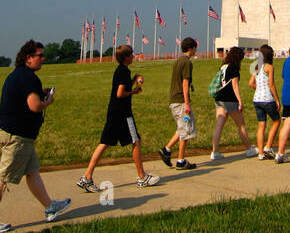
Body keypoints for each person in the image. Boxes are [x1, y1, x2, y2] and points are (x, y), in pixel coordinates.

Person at [0, 40, 71, 233]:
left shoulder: (19, 75)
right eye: (40, 56)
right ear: (28, 58)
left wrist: (39, 92)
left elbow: (26, 97)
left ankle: (50, 207)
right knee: (2, 178)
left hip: (13, 134)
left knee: (32, 172)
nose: (43, 59)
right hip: (17, 137)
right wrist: (48, 101)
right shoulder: (29, 78)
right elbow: (35, 106)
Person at [76, 45, 160, 192]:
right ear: (127, 57)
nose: (133, 56)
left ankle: (86, 178)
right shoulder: (123, 71)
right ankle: (142, 177)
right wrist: (134, 92)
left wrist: (134, 79)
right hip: (123, 113)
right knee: (135, 140)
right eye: (132, 55)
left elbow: (122, 87)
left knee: (105, 143)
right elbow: (120, 93)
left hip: (113, 112)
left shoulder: (122, 71)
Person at [210, 46, 258, 160]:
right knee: (241, 125)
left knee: (219, 126)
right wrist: (240, 101)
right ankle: (248, 148)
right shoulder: (234, 68)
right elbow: (235, 86)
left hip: (219, 98)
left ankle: (215, 151)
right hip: (230, 99)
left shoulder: (223, 66)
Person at [158, 37, 199, 170]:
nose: (195, 50)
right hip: (181, 101)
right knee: (186, 130)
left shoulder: (178, 61)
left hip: (174, 99)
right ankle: (180, 160)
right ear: (191, 48)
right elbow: (185, 83)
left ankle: (166, 150)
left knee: (182, 128)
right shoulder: (187, 63)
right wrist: (187, 103)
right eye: (195, 48)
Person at [248, 44, 281, 159]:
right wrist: (277, 99)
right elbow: (271, 84)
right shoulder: (269, 67)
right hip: (267, 99)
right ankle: (268, 146)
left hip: (257, 99)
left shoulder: (257, 66)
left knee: (261, 125)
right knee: (276, 121)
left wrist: (259, 89)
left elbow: (251, 83)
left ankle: (261, 153)